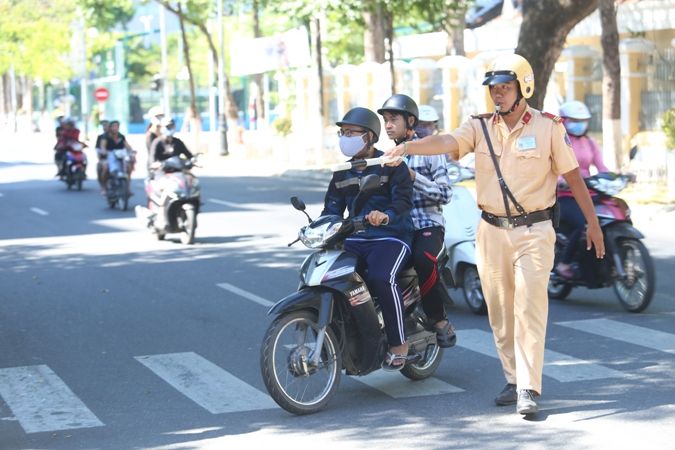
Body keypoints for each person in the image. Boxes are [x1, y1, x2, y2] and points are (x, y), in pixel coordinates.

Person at [383, 53, 605, 414]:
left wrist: (593, 224)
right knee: (500, 312)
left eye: (505, 87)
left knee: (529, 307)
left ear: (523, 88)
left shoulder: (549, 128)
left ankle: (529, 389)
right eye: (494, 89)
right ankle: (514, 378)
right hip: (490, 231)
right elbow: (445, 141)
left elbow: (574, 177)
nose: (498, 95)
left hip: (535, 230)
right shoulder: (479, 127)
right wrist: (408, 147)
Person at [322, 106, 414, 371]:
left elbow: (403, 204)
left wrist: (384, 216)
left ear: (370, 136)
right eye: (343, 132)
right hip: (356, 239)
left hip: (391, 238)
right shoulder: (341, 172)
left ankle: (399, 344)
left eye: (352, 132)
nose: (345, 137)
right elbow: (331, 210)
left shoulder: (392, 165)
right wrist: (318, 227)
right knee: (335, 279)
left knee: (380, 278)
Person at [377, 95, 456, 348]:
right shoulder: (384, 156)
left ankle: (438, 318)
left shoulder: (429, 152)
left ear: (410, 121)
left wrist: (412, 176)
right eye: (385, 121)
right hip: (396, 229)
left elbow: (445, 194)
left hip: (427, 226)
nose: (388, 125)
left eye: (393, 120)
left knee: (424, 258)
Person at [555, 100, 609, 279]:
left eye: (583, 120)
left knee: (609, 217)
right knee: (584, 223)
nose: (579, 125)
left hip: (589, 191)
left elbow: (602, 168)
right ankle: (564, 262)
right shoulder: (558, 142)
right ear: (563, 120)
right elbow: (552, 169)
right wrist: (561, 180)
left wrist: (619, 176)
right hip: (566, 195)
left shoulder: (590, 143)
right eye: (574, 120)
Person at [100, 120, 135, 195]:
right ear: (110, 127)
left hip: (121, 156)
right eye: (114, 126)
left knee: (128, 168)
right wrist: (104, 151)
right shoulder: (105, 136)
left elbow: (127, 146)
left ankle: (127, 188)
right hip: (109, 156)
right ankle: (104, 188)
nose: (115, 128)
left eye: (117, 126)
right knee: (105, 169)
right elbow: (103, 146)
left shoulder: (121, 136)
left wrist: (132, 151)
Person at [145, 106, 165, 170]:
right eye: (158, 117)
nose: (160, 118)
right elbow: (152, 151)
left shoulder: (164, 131)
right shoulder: (150, 135)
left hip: (165, 163)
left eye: (161, 116)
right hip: (155, 165)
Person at [95, 120, 110, 191]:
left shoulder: (117, 135)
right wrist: (100, 157)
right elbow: (98, 149)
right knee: (103, 168)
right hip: (104, 158)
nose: (105, 127)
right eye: (104, 126)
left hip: (116, 158)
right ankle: (103, 186)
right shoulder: (101, 137)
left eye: (106, 125)